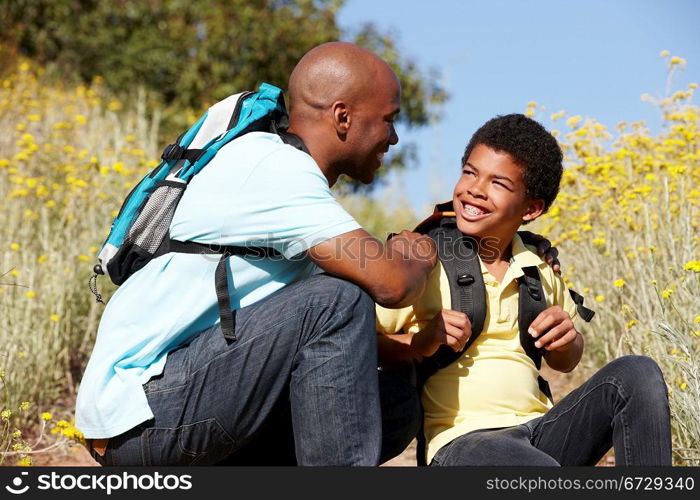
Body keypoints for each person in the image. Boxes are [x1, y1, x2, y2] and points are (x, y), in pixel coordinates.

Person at [75, 41, 439, 466]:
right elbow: (392, 284)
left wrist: (413, 346)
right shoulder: (275, 168)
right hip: (143, 417)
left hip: (187, 398)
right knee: (337, 300)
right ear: (343, 116)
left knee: (392, 405)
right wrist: (418, 252)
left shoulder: (286, 179)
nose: (393, 138)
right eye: (388, 121)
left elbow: (334, 354)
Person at [376, 113, 672, 466]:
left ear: (531, 209)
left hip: (541, 434)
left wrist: (568, 339)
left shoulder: (539, 266)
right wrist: (422, 342)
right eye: (470, 172)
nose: (475, 188)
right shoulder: (423, 259)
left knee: (637, 374)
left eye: (498, 183)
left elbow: (564, 362)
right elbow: (368, 346)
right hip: (464, 444)